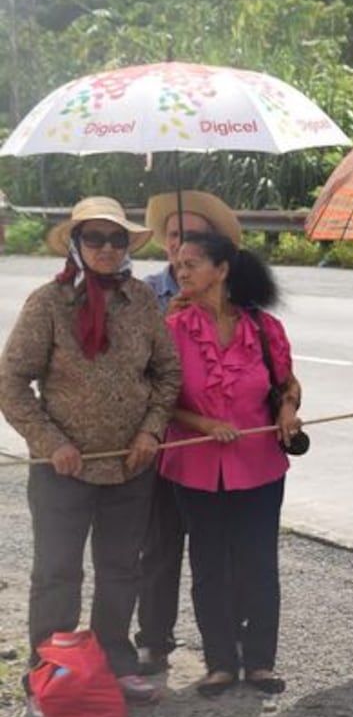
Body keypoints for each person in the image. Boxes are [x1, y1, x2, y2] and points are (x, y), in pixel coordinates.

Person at [0, 197, 182, 717]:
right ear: (77, 244)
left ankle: (114, 664)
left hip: (130, 466)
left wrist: (150, 432)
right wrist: (49, 442)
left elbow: (167, 373)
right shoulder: (47, 303)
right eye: (95, 239)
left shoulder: (143, 300)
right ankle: (48, 676)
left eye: (117, 239)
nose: (106, 248)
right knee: (57, 573)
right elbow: (12, 382)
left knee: (121, 569)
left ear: (128, 246)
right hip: (63, 468)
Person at [158, 230, 302, 697]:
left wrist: (287, 411)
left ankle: (259, 661)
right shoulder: (172, 330)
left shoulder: (263, 328)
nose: (181, 272)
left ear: (221, 270)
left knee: (259, 562)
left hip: (259, 464)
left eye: (191, 264)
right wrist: (201, 423)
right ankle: (220, 662)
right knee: (208, 565)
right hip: (195, 467)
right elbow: (157, 400)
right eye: (178, 265)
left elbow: (287, 383)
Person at [134, 190, 242, 676]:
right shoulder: (142, 293)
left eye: (193, 238)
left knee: (219, 551)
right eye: (175, 236)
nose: (181, 248)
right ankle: (154, 640)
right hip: (161, 441)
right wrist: (170, 320)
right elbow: (132, 368)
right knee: (160, 546)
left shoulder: (232, 300)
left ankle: (224, 645)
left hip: (215, 449)